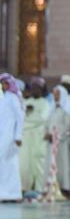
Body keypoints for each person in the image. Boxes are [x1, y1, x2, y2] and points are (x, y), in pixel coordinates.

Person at [45, 85, 70, 194]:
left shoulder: (67, 109)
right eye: (54, 93)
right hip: (51, 142)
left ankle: (64, 187)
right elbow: (47, 122)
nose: (55, 96)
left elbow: (67, 125)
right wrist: (47, 133)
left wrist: (55, 135)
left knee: (63, 164)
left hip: (62, 143)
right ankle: (52, 186)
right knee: (51, 164)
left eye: (58, 94)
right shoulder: (52, 108)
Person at [20, 80, 49, 196]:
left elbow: (42, 119)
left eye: (37, 88)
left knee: (38, 163)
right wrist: (28, 115)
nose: (34, 90)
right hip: (26, 138)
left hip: (38, 138)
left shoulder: (45, 103)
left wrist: (30, 117)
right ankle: (25, 188)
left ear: (42, 90)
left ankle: (39, 189)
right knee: (25, 163)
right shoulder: (26, 102)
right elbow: (21, 118)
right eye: (33, 87)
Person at [0, 74, 25, 202]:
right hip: (1, 135)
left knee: (11, 164)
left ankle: (15, 194)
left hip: (11, 136)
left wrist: (18, 135)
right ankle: (4, 193)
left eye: (5, 83)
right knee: (2, 164)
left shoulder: (13, 97)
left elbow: (20, 117)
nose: (3, 85)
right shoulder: (2, 96)